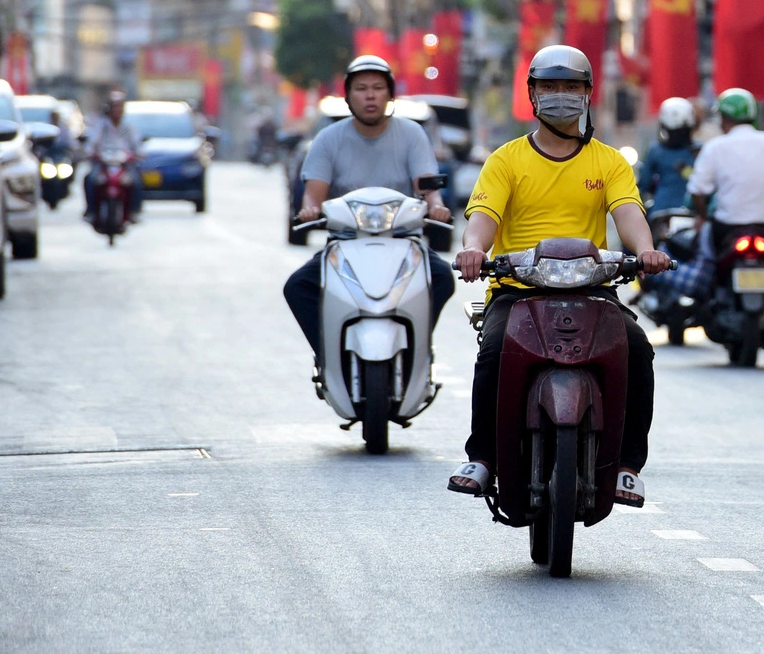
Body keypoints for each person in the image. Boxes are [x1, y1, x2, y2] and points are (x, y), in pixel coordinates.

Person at [447, 46, 672, 506]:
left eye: (570, 87)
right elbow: (483, 219)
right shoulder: (506, 160)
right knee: (492, 354)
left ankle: (627, 467)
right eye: (549, 87)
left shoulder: (608, 161)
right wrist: (473, 250)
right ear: (532, 94)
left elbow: (628, 213)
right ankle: (483, 457)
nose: (560, 96)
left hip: (591, 289)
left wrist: (646, 251)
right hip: (516, 291)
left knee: (637, 350)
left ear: (588, 95)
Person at [282, 55, 455, 357]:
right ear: (348, 96)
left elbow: (427, 184)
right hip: (345, 242)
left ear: (390, 94)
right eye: (361, 88)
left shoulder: (413, 133)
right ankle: (329, 353)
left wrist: (436, 205)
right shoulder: (328, 138)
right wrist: (310, 209)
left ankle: (417, 345)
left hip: (402, 240)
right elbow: (314, 193)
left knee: (442, 278)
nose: (370, 95)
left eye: (378, 87)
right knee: (297, 286)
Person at [686, 88, 764, 296]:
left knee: (708, 256)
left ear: (724, 119)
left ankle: (710, 294)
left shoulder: (715, 147)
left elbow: (697, 190)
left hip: (727, 226)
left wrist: (703, 216)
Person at [82, 91, 144, 223]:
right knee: (90, 179)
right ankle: (91, 211)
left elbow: (137, 146)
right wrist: (90, 153)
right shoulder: (101, 126)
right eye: (114, 107)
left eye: (119, 107)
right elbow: (91, 144)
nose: (117, 111)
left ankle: (134, 211)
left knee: (136, 180)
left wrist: (138, 154)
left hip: (123, 164)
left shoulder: (128, 127)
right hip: (103, 163)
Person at [637, 96, 701, 215]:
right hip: (693, 211)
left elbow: (644, 184)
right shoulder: (701, 150)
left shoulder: (655, 150)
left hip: (661, 211)